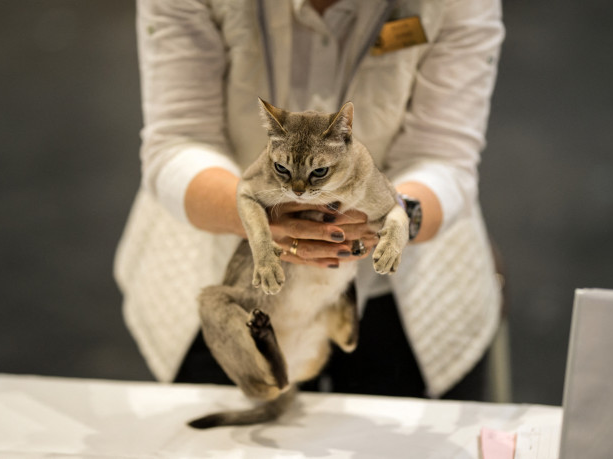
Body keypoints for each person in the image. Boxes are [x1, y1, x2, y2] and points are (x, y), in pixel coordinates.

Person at [114, 0, 505, 400]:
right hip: (223, 264)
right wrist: (258, 220)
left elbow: (444, 156)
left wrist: (397, 221)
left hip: (406, 296)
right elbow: (180, 140)